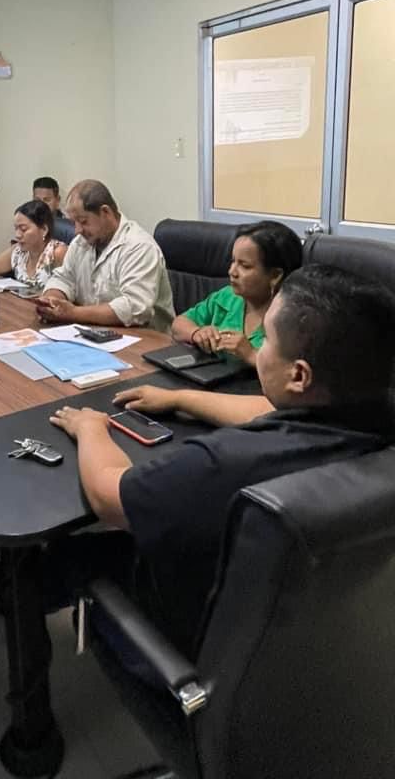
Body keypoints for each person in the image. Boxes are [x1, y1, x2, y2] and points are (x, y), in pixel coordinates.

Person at [44, 265, 395, 661]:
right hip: (324, 626)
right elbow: (269, 410)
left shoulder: (224, 462)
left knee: (59, 557)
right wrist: (180, 398)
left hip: (199, 646)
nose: (259, 350)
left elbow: (108, 495)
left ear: (299, 376)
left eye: (267, 341)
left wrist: (91, 428)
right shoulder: (368, 415)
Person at [38, 180, 174, 331]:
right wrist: (52, 300)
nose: (77, 230)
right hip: (94, 332)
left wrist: (72, 313)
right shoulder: (81, 242)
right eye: (74, 222)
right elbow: (64, 278)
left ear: (105, 212)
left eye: (83, 221)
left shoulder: (139, 247)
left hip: (144, 338)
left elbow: (134, 307)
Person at [171, 220, 302, 365]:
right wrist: (196, 332)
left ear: (275, 275)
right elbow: (178, 324)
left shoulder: (291, 318)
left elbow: (291, 371)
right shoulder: (227, 297)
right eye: (233, 261)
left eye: (245, 266)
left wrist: (251, 354)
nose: (232, 272)